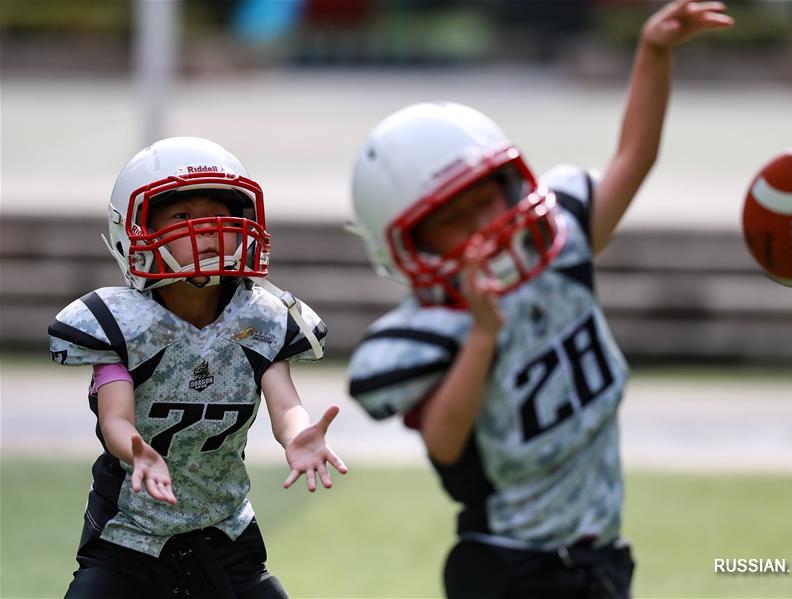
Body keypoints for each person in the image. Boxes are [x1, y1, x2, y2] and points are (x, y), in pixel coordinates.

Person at [346, 2, 733, 597]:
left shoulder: (562, 248)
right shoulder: (433, 332)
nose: (483, 222)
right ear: (411, 243)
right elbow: (446, 443)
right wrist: (483, 334)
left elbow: (634, 158)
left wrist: (654, 53)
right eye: (454, 218)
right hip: (509, 568)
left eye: (486, 197)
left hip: (598, 557)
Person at [48, 136, 347, 599]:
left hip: (223, 528)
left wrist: (298, 434)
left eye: (218, 217)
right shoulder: (120, 323)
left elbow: (284, 400)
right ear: (135, 229)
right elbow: (115, 416)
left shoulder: (262, 317)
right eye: (184, 217)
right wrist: (136, 450)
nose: (205, 230)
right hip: (130, 532)